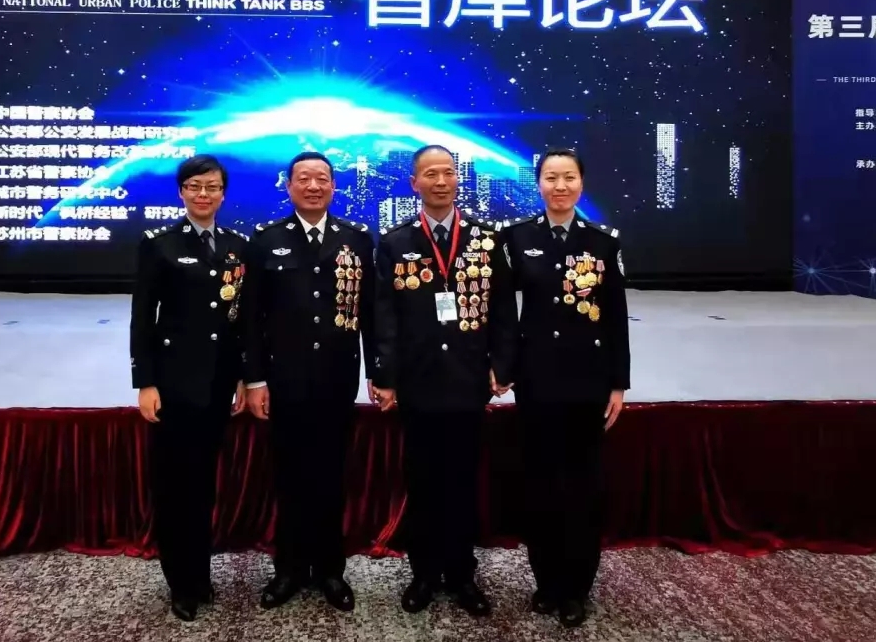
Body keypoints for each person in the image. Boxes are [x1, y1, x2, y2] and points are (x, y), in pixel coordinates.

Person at [369, 145, 518, 617]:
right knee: (422, 479)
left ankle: (461, 573)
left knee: (462, 479)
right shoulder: (395, 242)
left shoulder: (486, 238)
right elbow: (384, 316)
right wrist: (384, 376)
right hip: (418, 381)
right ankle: (423, 573)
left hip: (468, 378)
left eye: (448, 172)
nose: (440, 181)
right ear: (414, 183)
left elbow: (503, 310)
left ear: (458, 180)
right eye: (430, 174)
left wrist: (503, 364)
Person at [498, 147, 630, 628]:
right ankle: (546, 582)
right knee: (540, 482)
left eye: (568, 177)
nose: (560, 186)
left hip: (587, 380)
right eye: (551, 178)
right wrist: (503, 366)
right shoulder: (516, 237)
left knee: (583, 486)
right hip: (535, 378)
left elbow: (615, 318)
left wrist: (618, 383)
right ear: (538, 184)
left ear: (581, 183)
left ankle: (577, 587)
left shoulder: (602, 241)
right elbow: (502, 312)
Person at [241, 151, 376, 613]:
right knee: (290, 475)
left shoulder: (356, 239)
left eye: (322, 179)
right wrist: (254, 380)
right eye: (304, 179)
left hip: (337, 377)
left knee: (332, 475)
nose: (313, 186)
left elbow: (370, 313)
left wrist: (378, 372)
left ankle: (331, 570)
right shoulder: (267, 239)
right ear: (289, 186)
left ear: (333, 186)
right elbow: (251, 317)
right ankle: (290, 569)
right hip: (285, 378)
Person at [130, 154, 249, 622]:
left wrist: (243, 376)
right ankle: (180, 582)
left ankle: (201, 574)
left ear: (223, 193)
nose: (204, 194)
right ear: (182, 192)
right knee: (175, 486)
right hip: (174, 384)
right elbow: (143, 318)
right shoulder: (159, 244)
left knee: (202, 485)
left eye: (212, 187)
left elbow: (239, 321)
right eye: (195, 186)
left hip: (218, 384)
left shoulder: (236, 245)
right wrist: (145, 381)